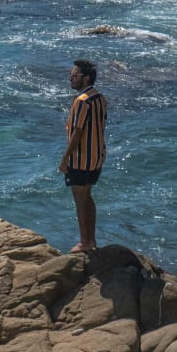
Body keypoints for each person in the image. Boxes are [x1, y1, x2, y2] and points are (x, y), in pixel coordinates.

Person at [58, 58, 107, 253]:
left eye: (75, 75)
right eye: (71, 74)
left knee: (80, 199)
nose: (71, 78)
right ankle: (91, 240)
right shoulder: (100, 98)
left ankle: (85, 242)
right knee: (87, 197)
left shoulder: (81, 102)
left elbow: (77, 133)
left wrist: (64, 159)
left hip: (80, 159)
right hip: (96, 157)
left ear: (86, 78)